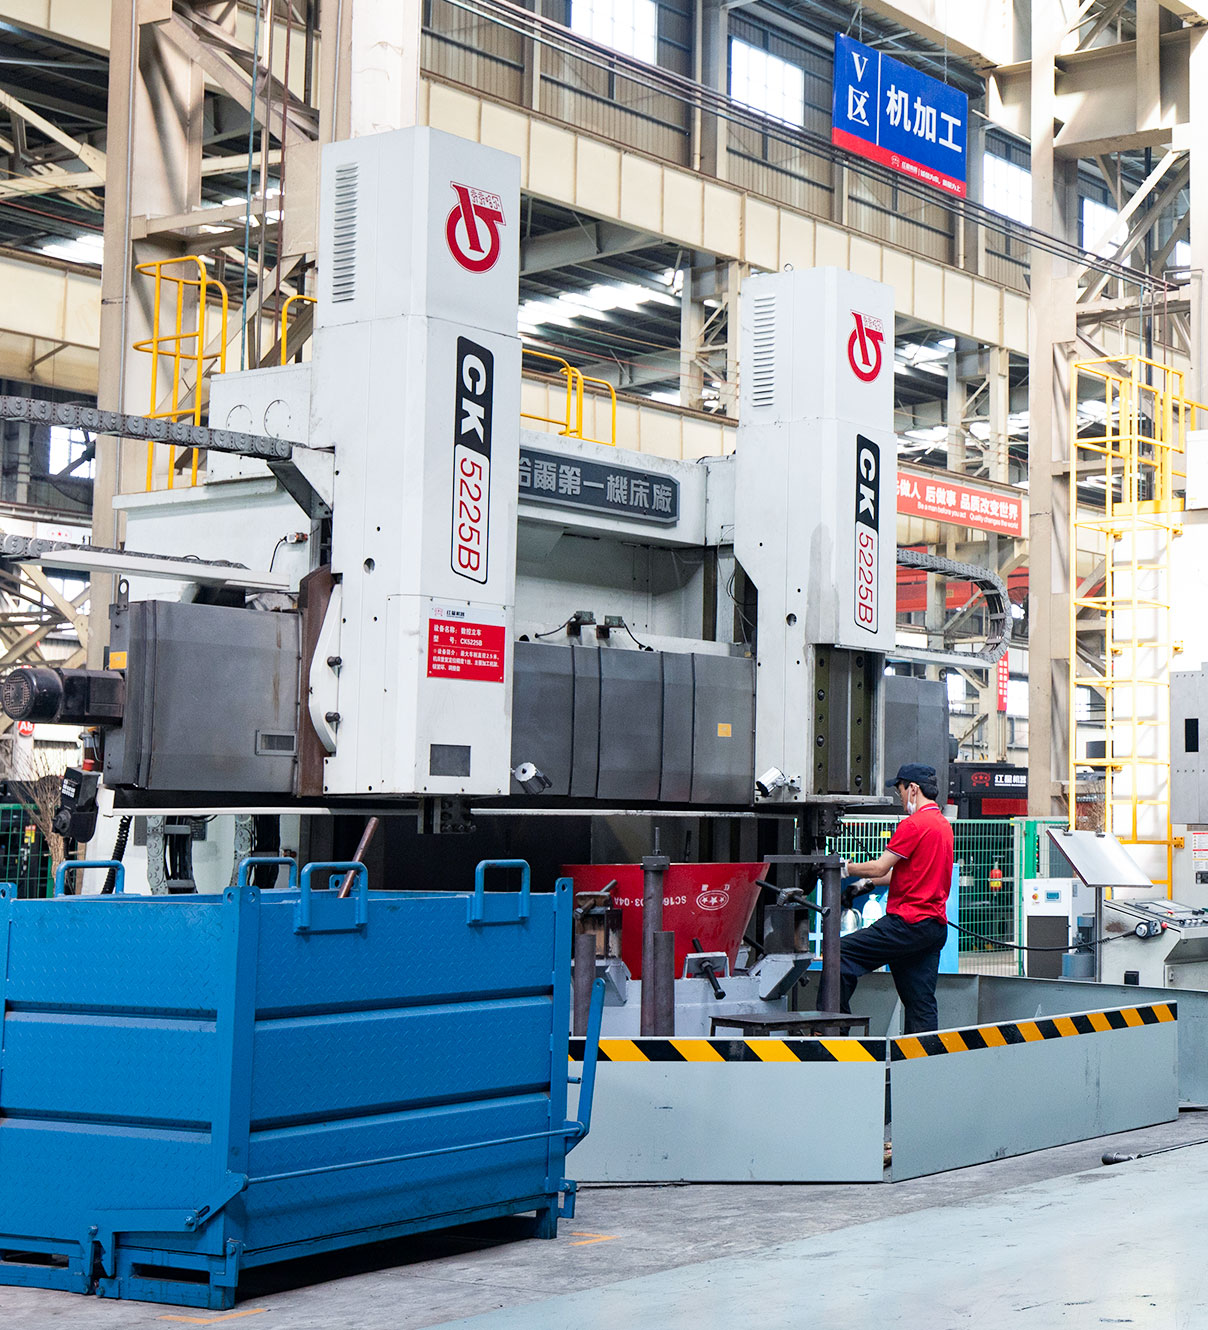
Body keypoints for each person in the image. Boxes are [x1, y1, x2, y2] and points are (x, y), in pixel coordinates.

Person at [838, 762, 954, 1035]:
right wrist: (865, 884)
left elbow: (880, 866)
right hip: (932, 929)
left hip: (906, 924)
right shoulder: (942, 826)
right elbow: (906, 873)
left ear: (913, 789)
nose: (899, 797)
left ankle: (832, 1031)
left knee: (840, 953)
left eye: (900, 790)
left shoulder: (913, 825)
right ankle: (921, 1057)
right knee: (920, 1003)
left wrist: (843, 867)